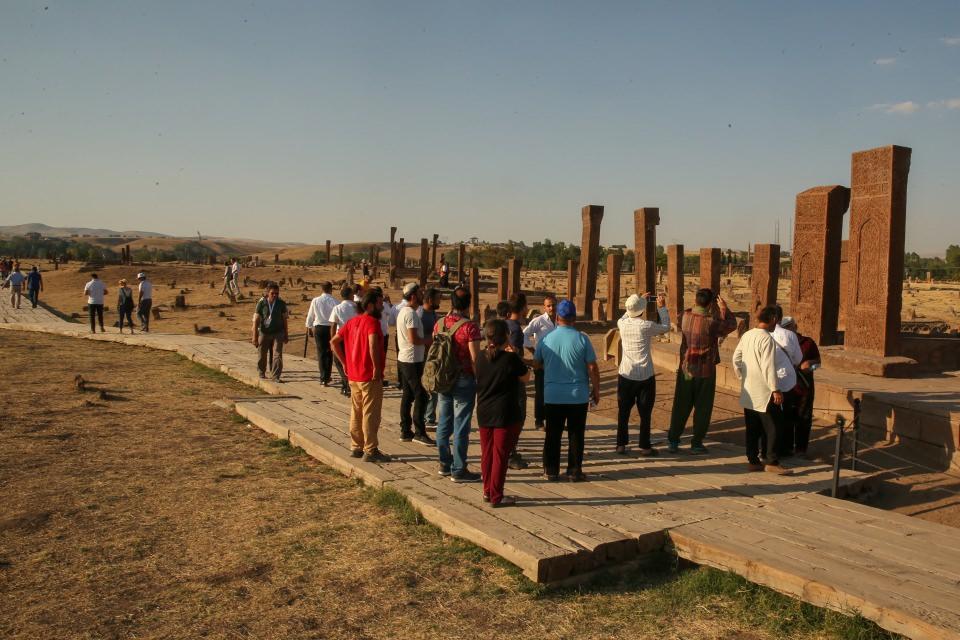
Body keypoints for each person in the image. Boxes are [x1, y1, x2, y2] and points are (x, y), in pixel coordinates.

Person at [534, 299, 600, 482]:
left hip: (553, 394)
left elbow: (537, 363)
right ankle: (574, 470)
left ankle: (551, 469)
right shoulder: (582, 338)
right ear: (574, 318)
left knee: (552, 434)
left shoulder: (546, 339)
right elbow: (592, 368)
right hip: (577, 395)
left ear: (557, 317)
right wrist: (596, 390)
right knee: (576, 433)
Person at [666, 288, 737, 454]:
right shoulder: (712, 322)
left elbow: (682, 314)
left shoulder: (684, 316)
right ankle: (696, 442)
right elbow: (731, 325)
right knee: (703, 407)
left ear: (696, 300)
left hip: (686, 368)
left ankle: (673, 441)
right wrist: (725, 309)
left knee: (680, 405)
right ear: (711, 303)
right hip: (705, 370)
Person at [331, 289, 392, 463]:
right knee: (370, 413)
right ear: (371, 305)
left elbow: (333, 342)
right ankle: (370, 449)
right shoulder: (372, 323)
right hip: (368, 375)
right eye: (380, 303)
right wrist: (376, 367)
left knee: (356, 411)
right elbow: (373, 344)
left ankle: (356, 446)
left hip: (354, 375)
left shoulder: (352, 322)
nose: (382, 306)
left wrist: (344, 363)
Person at [476, 319, 530, 507]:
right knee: (500, 455)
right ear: (505, 336)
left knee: (487, 454)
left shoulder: (481, 356)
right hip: (504, 412)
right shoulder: (510, 358)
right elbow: (526, 377)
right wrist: (515, 354)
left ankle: (487, 490)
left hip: (484, 410)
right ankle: (497, 495)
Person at [733, 306, 791, 474]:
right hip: (764, 391)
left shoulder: (747, 335)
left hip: (749, 390)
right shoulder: (767, 339)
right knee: (773, 426)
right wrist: (776, 390)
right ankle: (772, 461)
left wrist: (742, 377)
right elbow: (768, 367)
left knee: (752, 427)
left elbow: (736, 358)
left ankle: (753, 460)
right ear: (773, 318)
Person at [434, 286, 482, 482]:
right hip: (464, 379)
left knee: (444, 421)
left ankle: (444, 463)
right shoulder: (470, 327)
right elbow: (474, 357)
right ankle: (459, 468)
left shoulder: (439, 323)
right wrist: (480, 379)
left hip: (443, 378)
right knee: (461, 425)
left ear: (451, 302)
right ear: (469, 303)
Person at [615, 292, 670, 455]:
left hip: (625, 374)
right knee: (645, 413)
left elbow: (626, 314)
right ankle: (645, 446)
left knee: (623, 412)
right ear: (642, 310)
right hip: (645, 375)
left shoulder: (621, 323)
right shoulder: (646, 326)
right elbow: (666, 327)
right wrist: (662, 308)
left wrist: (638, 300)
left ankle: (620, 444)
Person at [396, 283, 435, 445]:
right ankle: (419, 432)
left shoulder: (405, 312)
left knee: (408, 395)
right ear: (413, 296)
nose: (422, 296)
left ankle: (406, 430)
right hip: (412, 360)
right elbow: (414, 340)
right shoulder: (410, 314)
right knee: (421, 394)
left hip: (406, 358)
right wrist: (432, 340)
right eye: (419, 293)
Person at [780, 317, 821, 457]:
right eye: (785, 327)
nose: (788, 330)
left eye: (790, 327)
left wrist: (810, 364)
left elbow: (818, 362)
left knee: (804, 418)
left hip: (804, 387)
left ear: (795, 327)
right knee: (787, 418)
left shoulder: (808, 343)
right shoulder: (780, 342)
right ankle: (786, 447)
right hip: (786, 386)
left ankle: (801, 449)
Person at [523, 293, 558, 431]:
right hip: (542, 361)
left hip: (556, 361)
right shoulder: (539, 321)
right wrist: (533, 351)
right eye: (548, 306)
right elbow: (524, 334)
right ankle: (539, 421)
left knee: (554, 391)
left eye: (553, 305)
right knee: (540, 392)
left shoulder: (560, 320)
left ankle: (553, 419)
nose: (551, 308)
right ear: (544, 307)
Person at [771, 306, 803, 457]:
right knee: (786, 416)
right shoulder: (790, 335)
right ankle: (784, 448)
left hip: (767, 382)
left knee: (770, 416)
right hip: (785, 381)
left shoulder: (758, 334)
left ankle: (768, 449)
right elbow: (798, 359)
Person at [503, 293, 529, 470]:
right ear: (521, 309)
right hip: (514, 379)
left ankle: (508, 449)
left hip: (502, 377)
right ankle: (510, 453)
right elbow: (514, 355)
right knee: (518, 416)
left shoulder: (503, 324)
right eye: (526, 306)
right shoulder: (516, 330)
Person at [252, 283, 289, 381]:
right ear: (267, 293)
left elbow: (285, 319)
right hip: (264, 331)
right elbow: (255, 321)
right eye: (272, 293)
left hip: (278, 331)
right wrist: (254, 337)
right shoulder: (261, 303)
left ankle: (276, 376)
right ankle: (261, 371)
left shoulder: (281, 303)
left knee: (278, 354)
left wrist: (286, 334)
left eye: (277, 293)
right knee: (262, 353)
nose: (275, 295)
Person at [305, 281, 339, 385]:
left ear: (322, 289)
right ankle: (327, 376)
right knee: (330, 352)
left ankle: (322, 377)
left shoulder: (315, 300)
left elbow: (310, 315)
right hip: (330, 328)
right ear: (331, 289)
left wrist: (309, 327)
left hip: (319, 328)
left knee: (321, 353)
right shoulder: (335, 301)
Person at [417, 287, 442, 426]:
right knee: (430, 387)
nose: (440, 301)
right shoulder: (421, 315)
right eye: (438, 298)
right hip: (425, 356)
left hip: (433, 355)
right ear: (430, 300)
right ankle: (428, 418)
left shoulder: (432, 313)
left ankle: (429, 416)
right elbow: (419, 338)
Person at [328, 285, 358, 396]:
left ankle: (346, 384)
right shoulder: (357, 307)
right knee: (352, 362)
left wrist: (332, 341)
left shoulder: (337, 308)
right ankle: (350, 384)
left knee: (340, 362)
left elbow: (333, 325)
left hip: (340, 338)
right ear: (351, 295)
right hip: (355, 338)